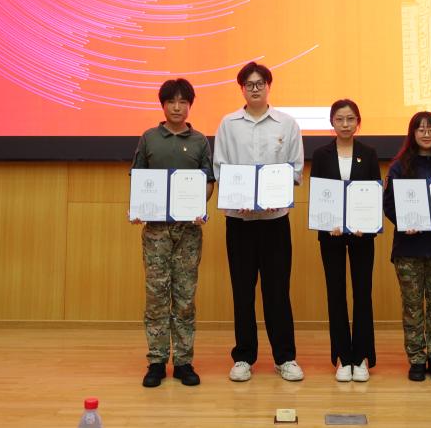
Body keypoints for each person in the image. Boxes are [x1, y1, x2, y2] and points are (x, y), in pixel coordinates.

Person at [213, 62, 305, 382]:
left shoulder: (287, 124)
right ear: (242, 89)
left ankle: (285, 357)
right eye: (249, 84)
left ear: (268, 86)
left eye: (260, 83)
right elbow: (220, 168)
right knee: (242, 291)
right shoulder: (228, 124)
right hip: (239, 222)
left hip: (274, 220)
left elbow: (295, 169)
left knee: (277, 290)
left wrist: (276, 192)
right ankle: (244, 357)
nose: (255, 89)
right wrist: (238, 194)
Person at [131, 78, 214, 388]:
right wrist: (138, 207)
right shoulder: (149, 138)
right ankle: (156, 361)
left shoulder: (200, 141)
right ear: (163, 105)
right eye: (171, 101)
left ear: (190, 106)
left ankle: (183, 361)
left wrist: (200, 205)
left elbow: (208, 182)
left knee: (185, 297)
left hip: (189, 231)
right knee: (156, 296)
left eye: (183, 102)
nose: (177, 107)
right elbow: (138, 178)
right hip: (155, 231)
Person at [382, 111, 431, 383]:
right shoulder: (399, 167)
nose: (426, 134)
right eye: (421, 129)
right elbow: (388, 204)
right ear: (412, 134)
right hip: (408, 248)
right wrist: (404, 222)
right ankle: (416, 358)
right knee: (412, 307)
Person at [309, 99, 382, 382]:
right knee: (336, 292)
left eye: (351, 119)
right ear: (332, 122)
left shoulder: (369, 153)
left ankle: (361, 356)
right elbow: (319, 195)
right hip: (332, 235)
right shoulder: (321, 154)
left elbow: (374, 193)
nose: (345, 124)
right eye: (340, 119)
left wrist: (368, 223)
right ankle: (341, 356)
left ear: (358, 122)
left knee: (363, 293)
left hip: (363, 236)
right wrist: (328, 223)